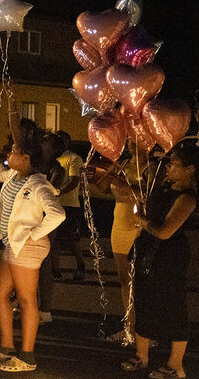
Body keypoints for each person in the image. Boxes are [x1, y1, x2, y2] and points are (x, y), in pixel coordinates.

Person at [0, 129, 65, 372]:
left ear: (27, 158)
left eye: (13, 152)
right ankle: (7, 347)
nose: (9, 154)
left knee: (26, 300)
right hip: (14, 244)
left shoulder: (39, 184)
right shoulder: (14, 176)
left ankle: (27, 357)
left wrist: (33, 235)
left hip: (27, 247)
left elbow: (58, 214)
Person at [120, 142, 198, 379]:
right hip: (148, 252)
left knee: (172, 308)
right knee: (143, 302)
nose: (168, 167)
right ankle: (141, 355)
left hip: (169, 257)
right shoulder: (164, 188)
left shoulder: (187, 198)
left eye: (174, 164)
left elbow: (165, 231)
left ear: (190, 169)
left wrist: (142, 221)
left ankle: (176, 366)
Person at [92, 144, 148, 344]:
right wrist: (102, 173)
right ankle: (130, 329)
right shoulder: (122, 164)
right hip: (119, 224)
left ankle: (145, 331)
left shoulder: (150, 166)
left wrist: (120, 181)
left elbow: (142, 195)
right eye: (129, 142)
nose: (132, 145)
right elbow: (103, 187)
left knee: (140, 281)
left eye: (136, 140)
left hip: (139, 225)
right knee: (125, 281)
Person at [47, 131, 85, 282]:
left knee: (71, 239)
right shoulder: (52, 159)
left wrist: (56, 192)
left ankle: (80, 265)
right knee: (54, 239)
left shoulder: (73, 158)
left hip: (70, 205)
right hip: (53, 205)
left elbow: (73, 182)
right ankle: (56, 270)